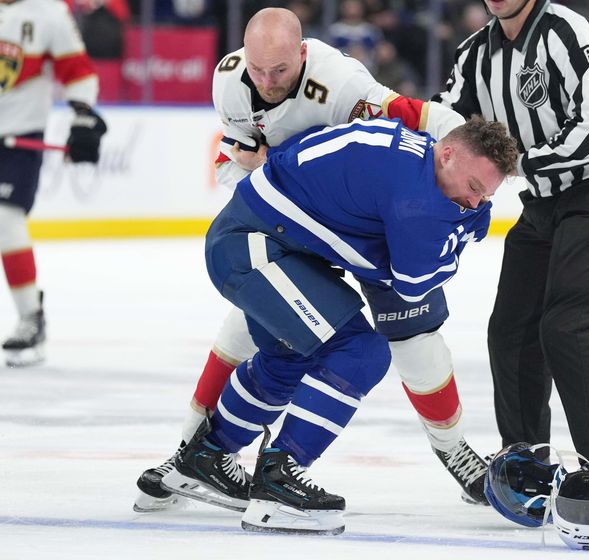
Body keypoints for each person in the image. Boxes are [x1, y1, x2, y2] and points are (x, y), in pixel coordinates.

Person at [133, 7, 490, 513]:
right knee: (254, 328)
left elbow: (423, 120)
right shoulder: (230, 82)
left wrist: (477, 168)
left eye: (280, 71)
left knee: (414, 336)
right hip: (296, 223)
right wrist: (270, 186)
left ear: (303, 54)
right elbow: (237, 162)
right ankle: (193, 452)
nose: (268, 82)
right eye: (259, 70)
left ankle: (455, 452)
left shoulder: (342, 85)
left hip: (369, 224)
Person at [160, 116, 519, 534]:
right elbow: (412, 282)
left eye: (485, 197)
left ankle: (204, 458)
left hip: (267, 242)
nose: (475, 204)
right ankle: (280, 476)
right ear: (448, 153)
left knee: (288, 357)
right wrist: (465, 230)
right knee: (361, 351)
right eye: (474, 189)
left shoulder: (415, 157)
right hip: (253, 246)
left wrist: (461, 220)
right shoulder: (412, 192)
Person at [432, 0, 589, 524]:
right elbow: (442, 122)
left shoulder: (571, 31)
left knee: (571, 329)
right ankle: (527, 462)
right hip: (545, 202)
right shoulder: (475, 54)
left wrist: (509, 165)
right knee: (512, 329)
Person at [0, 0, 107, 367]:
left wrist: (82, 118)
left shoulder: (47, 11)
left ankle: (31, 317)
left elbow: (78, 71)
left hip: (15, 138)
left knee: (5, 221)